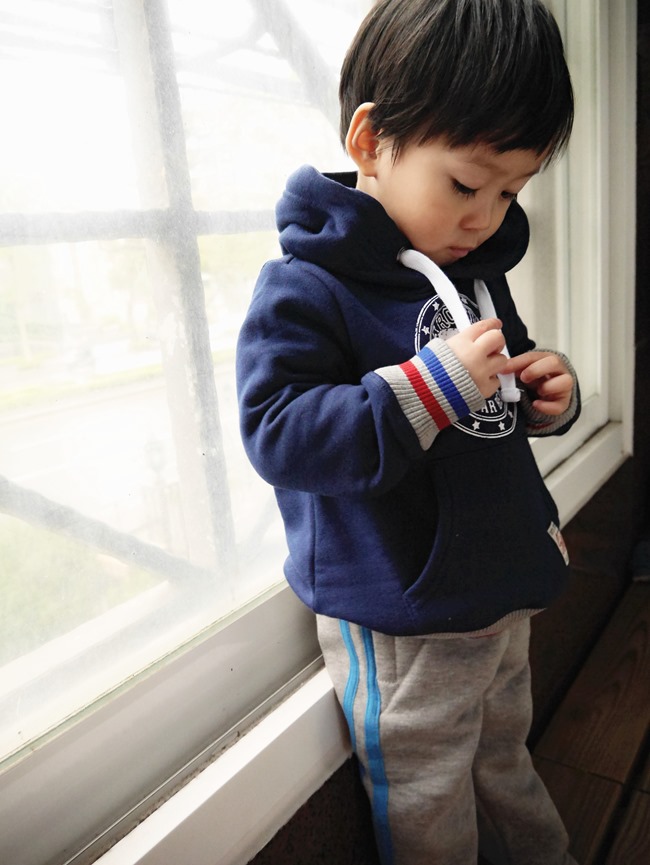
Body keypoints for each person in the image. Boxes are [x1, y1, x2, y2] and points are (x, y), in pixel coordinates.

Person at [236, 1, 581, 863]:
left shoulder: (475, 271)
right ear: (370, 141)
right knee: (429, 791)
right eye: (466, 185)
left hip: (499, 583)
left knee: (504, 757)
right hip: (403, 608)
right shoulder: (306, 286)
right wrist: (430, 386)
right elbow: (278, 432)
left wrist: (544, 392)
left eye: (511, 192)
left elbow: (491, 400)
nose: (486, 217)